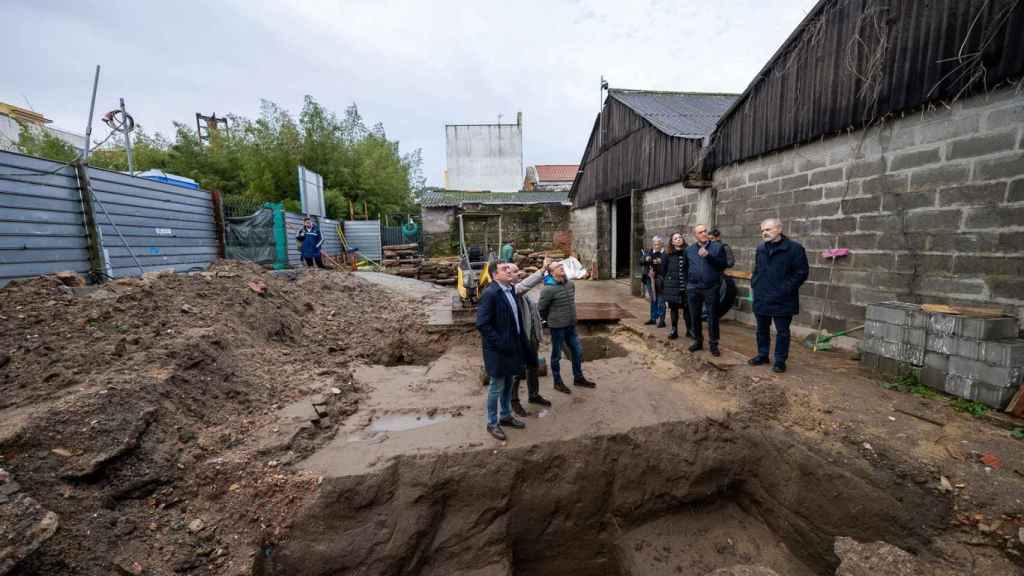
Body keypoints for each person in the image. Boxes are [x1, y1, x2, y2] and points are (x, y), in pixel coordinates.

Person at [476, 262, 531, 441]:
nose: (509, 271)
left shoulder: (511, 290)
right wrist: (500, 343)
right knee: (496, 386)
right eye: (504, 269)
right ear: (494, 275)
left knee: (509, 382)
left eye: (509, 269)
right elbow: (482, 324)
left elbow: (516, 320)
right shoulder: (490, 293)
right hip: (498, 350)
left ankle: (505, 416)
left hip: (512, 347)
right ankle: (492, 423)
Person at [749, 218, 809, 373]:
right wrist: (755, 284)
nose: (764, 233)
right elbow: (757, 269)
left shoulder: (794, 249)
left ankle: (780, 360)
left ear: (779, 229)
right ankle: (763, 355)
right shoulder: (761, 248)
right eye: (762, 230)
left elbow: (801, 273)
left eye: (768, 229)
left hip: (783, 299)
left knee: (782, 331)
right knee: (761, 329)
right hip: (762, 296)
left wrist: (783, 290)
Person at [538, 261, 596, 393]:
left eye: (562, 265)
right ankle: (557, 382)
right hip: (557, 327)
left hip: (571, 325)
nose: (562, 267)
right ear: (552, 272)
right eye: (558, 267)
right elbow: (541, 309)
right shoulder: (548, 289)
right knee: (556, 355)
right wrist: (550, 320)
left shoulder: (570, 284)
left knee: (577, 351)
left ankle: (578, 377)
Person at [510, 261, 552, 417]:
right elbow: (524, 286)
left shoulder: (522, 291)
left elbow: (533, 314)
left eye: (518, 271)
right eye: (514, 272)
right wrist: (542, 270)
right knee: (516, 372)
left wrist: (538, 333)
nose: (519, 273)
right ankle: (514, 402)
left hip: (531, 338)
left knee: (533, 366)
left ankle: (533, 395)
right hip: (521, 339)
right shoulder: (513, 290)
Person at [685, 224, 729, 356]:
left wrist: (709, 256)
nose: (703, 234)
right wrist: (689, 284)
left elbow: (723, 265)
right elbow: (686, 268)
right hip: (694, 288)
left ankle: (713, 344)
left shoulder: (717, 247)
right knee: (695, 315)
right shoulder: (689, 250)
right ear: (695, 235)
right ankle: (698, 341)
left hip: (711, 287)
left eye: (705, 231)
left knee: (712, 316)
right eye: (700, 232)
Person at [661, 232, 693, 340]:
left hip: (686, 286)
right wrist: (669, 282)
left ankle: (689, 330)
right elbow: (663, 270)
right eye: (676, 238)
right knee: (673, 309)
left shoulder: (689, 252)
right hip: (672, 286)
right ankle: (674, 330)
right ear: (672, 241)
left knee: (687, 309)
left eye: (680, 237)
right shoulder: (667, 254)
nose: (678, 239)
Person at [709, 228, 738, 319]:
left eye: (712, 239)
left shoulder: (724, 247)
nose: (710, 241)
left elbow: (730, 262)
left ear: (718, 238)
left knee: (718, 299)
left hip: (720, 277)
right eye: (709, 239)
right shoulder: (708, 247)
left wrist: (718, 263)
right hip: (709, 277)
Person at [640, 236, 667, 327]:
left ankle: (662, 320)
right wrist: (645, 259)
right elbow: (641, 261)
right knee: (653, 299)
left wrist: (659, 262)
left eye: (658, 244)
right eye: (655, 244)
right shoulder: (648, 252)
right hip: (649, 280)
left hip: (660, 280)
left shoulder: (665, 254)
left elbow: (666, 267)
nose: (656, 246)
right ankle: (653, 318)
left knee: (660, 300)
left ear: (661, 244)